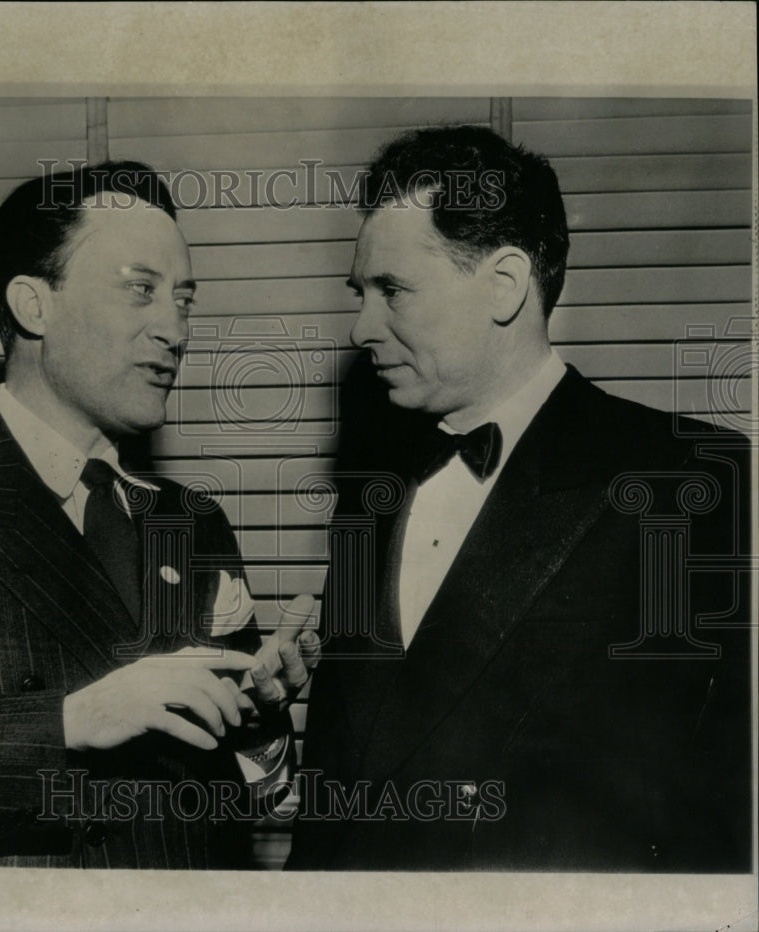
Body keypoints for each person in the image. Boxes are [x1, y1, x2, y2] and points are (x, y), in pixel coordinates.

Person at [0, 161, 319, 868]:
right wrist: (72, 721)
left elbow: (251, 803)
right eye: (140, 291)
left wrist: (259, 722)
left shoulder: (194, 524)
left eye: (184, 300)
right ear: (34, 306)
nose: (175, 328)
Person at [287, 126, 752, 872]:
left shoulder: (696, 482)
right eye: (360, 293)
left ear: (504, 285)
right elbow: (336, 795)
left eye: (393, 292)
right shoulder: (372, 502)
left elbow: (724, 815)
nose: (361, 328)